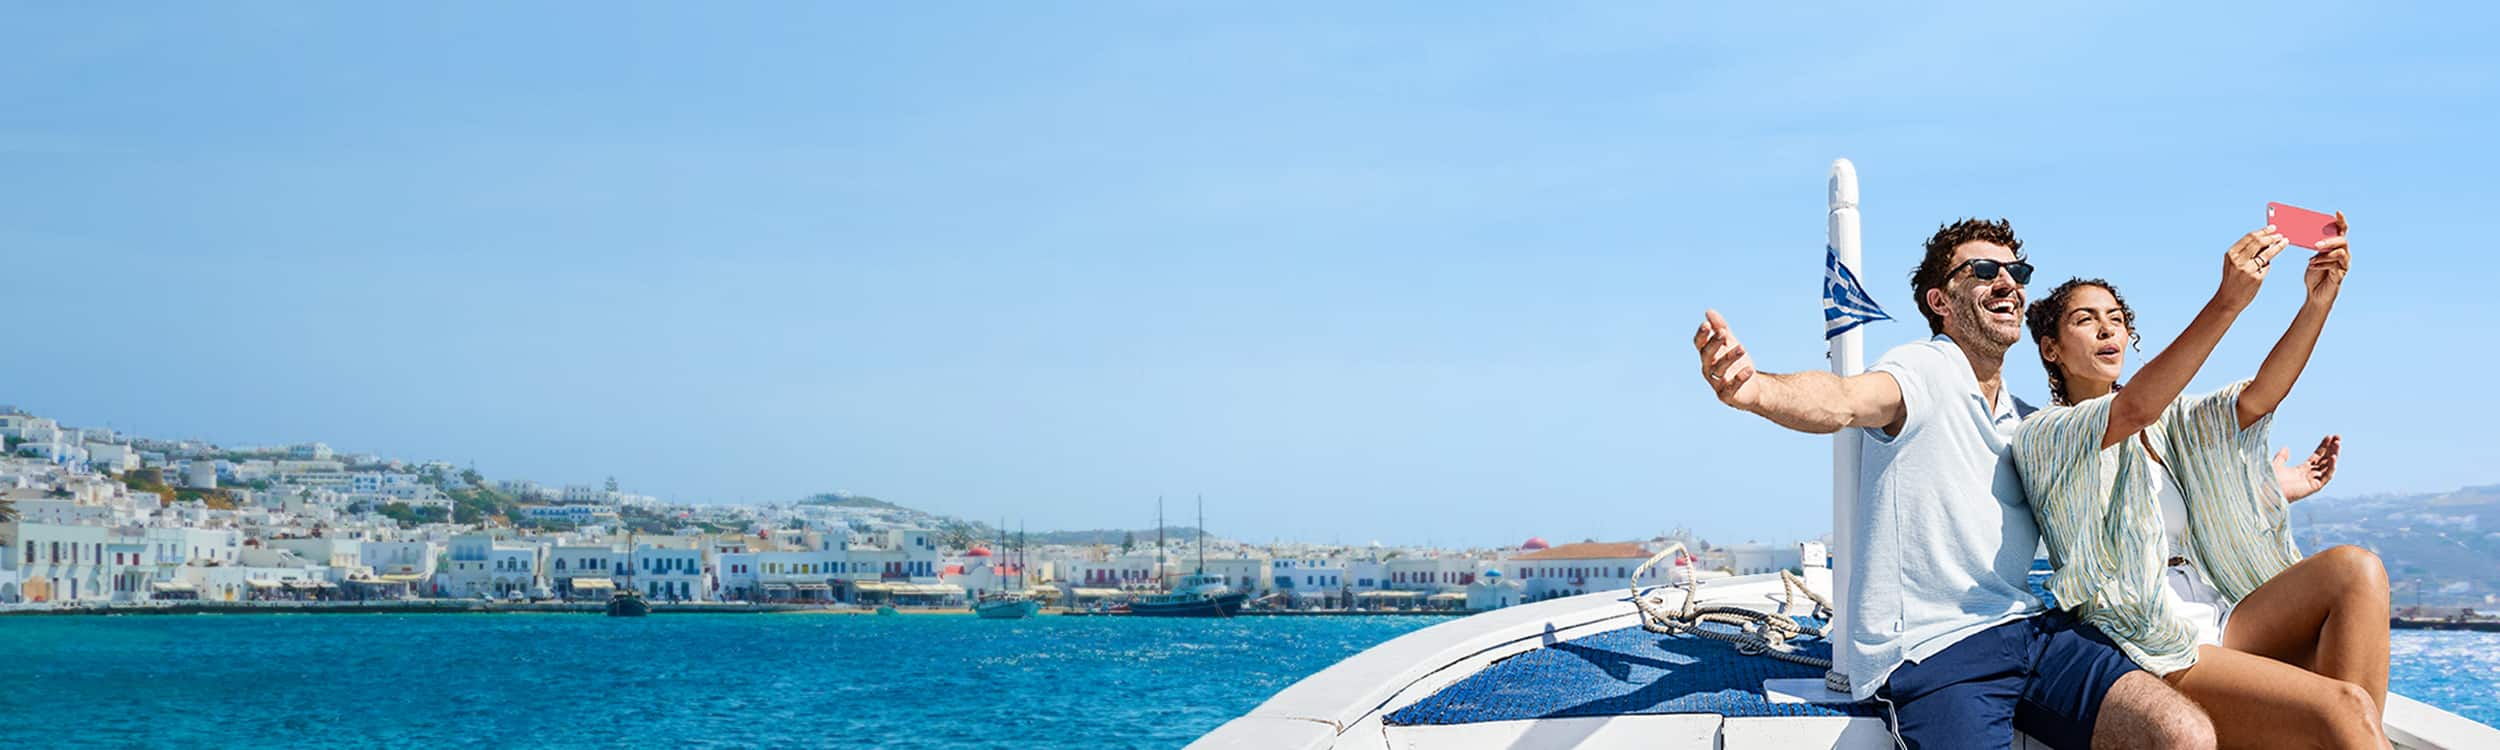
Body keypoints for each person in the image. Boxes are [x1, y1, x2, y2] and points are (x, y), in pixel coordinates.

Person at [1695, 218, 2211, 749]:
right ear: (1940, 301)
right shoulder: (1925, 368)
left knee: (2182, 734)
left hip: (2032, 630)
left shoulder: (2025, 421)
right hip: (1935, 650)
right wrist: (1756, 390)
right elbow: (1844, 400)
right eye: (1984, 270)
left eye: (2017, 272)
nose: (2008, 282)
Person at [2013, 218, 2387, 748]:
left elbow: (2259, 398)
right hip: (2147, 635)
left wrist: (2317, 303)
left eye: (2116, 319)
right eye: (2085, 319)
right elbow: (2135, 407)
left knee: (2356, 570)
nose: (2107, 329)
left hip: (2221, 611)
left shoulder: (2168, 426)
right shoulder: (2045, 434)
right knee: (2344, 707)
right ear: (2050, 349)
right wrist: (2227, 302)